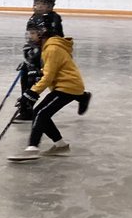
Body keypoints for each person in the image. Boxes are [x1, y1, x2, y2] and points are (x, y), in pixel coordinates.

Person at [8, 13, 91, 161]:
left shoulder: (52, 48)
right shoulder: (48, 46)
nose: (30, 36)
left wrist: (31, 93)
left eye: (33, 33)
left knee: (40, 112)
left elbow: (49, 77)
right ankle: (61, 145)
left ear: (43, 32)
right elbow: (49, 71)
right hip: (63, 85)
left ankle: (32, 148)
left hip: (68, 86)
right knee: (40, 113)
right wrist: (33, 70)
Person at [16, 0, 64, 120]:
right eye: (37, 3)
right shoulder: (33, 18)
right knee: (25, 75)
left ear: (50, 5)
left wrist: (39, 65)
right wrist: (29, 59)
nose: (39, 6)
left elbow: (52, 41)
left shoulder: (53, 19)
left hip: (50, 56)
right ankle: (26, 110)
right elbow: (31, 41)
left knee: (61, 84)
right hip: (37, 55)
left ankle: (81, 95)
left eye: (43, 4)